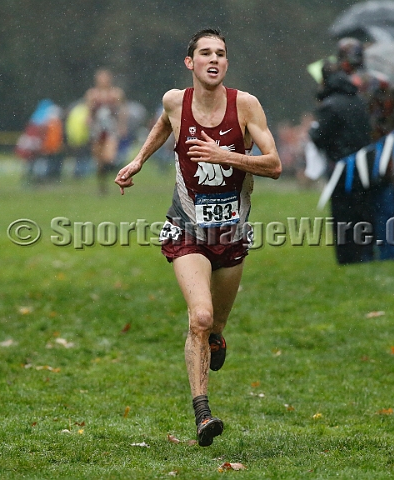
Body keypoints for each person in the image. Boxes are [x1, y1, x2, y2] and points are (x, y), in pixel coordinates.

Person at [114, 29, 281, 446]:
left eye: (221, 54)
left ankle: (218, 337)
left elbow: (275, 164)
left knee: (217, 323)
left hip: (231, 232)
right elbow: (164, 125)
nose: (214, 59)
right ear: (190, 63)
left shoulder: (245, 105)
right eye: (205, 53)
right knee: (200, 318)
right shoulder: (175, 100)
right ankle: (203, 413)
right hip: (185, 227)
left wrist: (224, 155)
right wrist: (137, 161)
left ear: (226, 63)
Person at [310, 57, 373, 264]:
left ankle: (347, 259)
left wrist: (314, 131)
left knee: (343, 216)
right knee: (362, 213)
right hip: (363, 166)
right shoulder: (359, 101)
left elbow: (320, 138)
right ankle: (365, 254)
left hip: (340, 168)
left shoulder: (330, 105)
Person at [86, 69, 126, 193]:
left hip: (110, 129)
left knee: (109, 157)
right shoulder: (92, 94)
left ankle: (117, 175)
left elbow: (121, 111)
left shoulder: (116, 93)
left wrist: (122, 126)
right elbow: (88, 112)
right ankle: (102, 186)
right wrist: (88, 122)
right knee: (99, 161)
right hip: (97, 129)